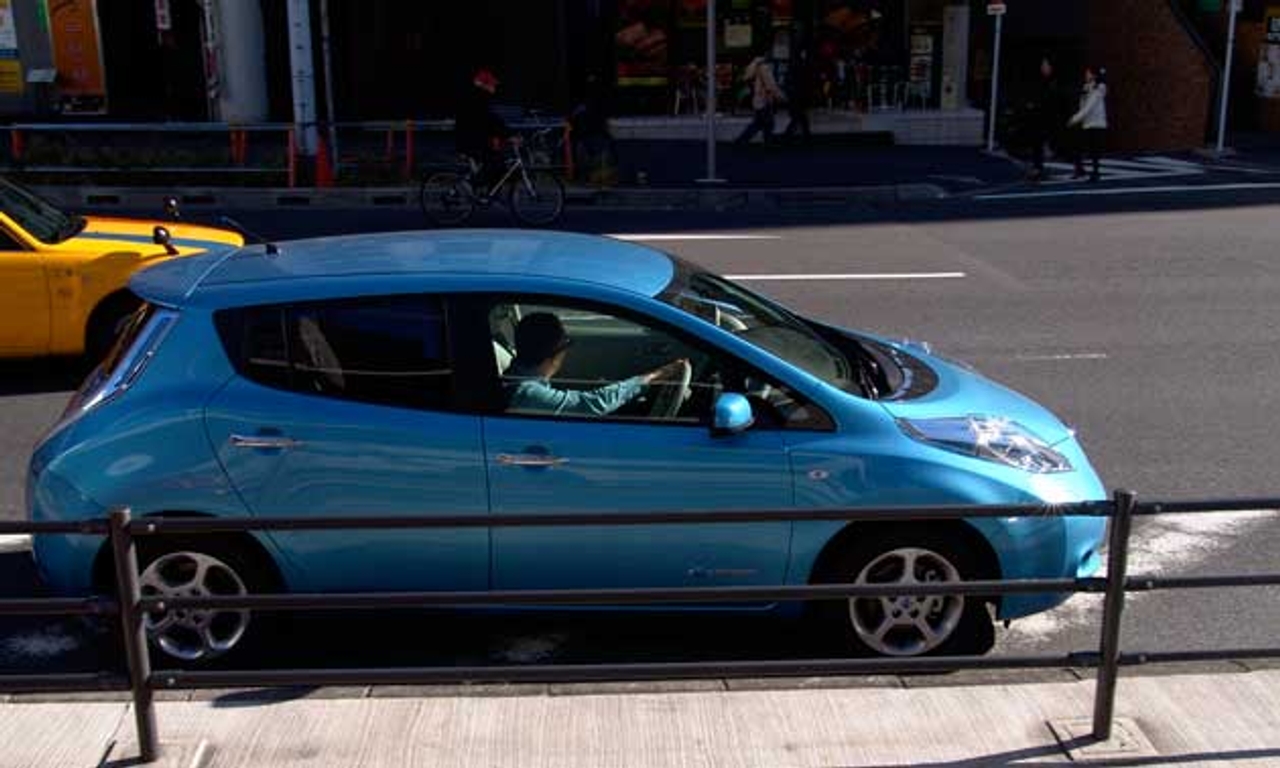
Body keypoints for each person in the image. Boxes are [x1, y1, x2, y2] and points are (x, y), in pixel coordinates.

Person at [504, 312, 688, 417]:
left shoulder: (516, 375)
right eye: (566, 345)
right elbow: (590, 405)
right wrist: (653, 377)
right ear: (554, 355)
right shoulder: (526, 393)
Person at [454, 68, 511, 192]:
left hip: (474, 139)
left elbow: (491, 120)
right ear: (483, 84)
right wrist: (508, 134)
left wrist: (504, 133)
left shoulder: (478, 96)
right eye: (491, 84)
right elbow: (488, 120)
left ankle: (490, 193)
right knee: (495, 163)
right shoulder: (477, 98)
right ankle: (470, 184)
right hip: (470, 141)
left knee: (498, 162)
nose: (494, 87)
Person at [1024, 56, 1066, 182]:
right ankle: (1038, 168)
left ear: (1051, 67)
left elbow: (1052, 100)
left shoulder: (1054, 82)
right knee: (1037, 143)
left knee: (1041, 142)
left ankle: (1039, 168)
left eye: (1046, 65)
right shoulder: (1040, 81)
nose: (1043, 67)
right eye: (1042, 65)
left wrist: (1036, 105)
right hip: (1039, 118)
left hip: (1048, 118)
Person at [734, 52, 786, 146]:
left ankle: (742, 140)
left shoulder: (754, 65)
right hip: (764, 99)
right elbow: (770, 85)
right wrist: (781, 96)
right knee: (767, 123)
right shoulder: (764, 67)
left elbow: (747, 77)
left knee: (760, 123)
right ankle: (765, 142)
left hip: (758, 99)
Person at [1068, 66, 1108, 182]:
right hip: (1087, 122)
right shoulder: (1086, 87)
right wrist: (1078, 118)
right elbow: (1082, 105)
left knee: (1094, 149)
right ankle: (1080, 169)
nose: (1086, 75)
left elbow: (1089, 106)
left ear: (1094, 75)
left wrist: (1075, 119)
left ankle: (1095, 172)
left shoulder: (1100, 87)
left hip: (1097, 123)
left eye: (1088, 73)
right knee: (1082, 146)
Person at [782, 49, 814, 143]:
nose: (804, 54)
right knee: (799, 116)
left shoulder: (795, 65)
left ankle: (803, 134)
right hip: (798, 94)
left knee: (799, 116)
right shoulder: (800, 65)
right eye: (803, 53)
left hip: (796, 94)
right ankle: (795, 134)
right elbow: (803, 81)